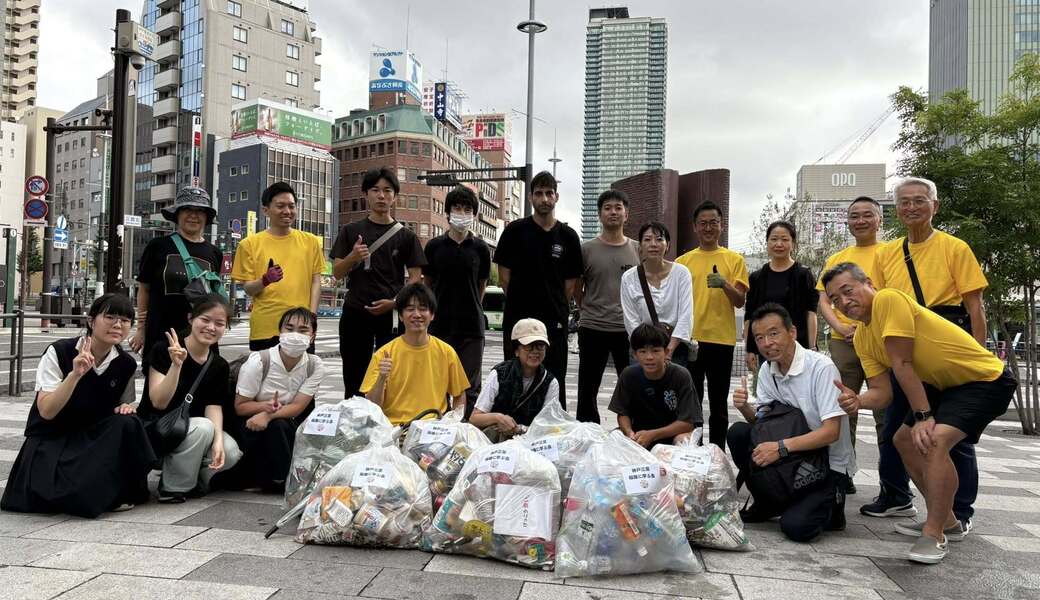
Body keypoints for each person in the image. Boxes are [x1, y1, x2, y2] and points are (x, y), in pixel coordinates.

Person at [822, 264, 1015, 563]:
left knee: (933, 440)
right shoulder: (862, 336)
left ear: (868, 283)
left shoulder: (888, 299)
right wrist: (858, 401)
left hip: (984, 379)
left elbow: (902, 363)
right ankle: (948, 521)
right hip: (945, 386)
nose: (843, 302)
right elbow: (883, 392)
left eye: (848, 291)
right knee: (903, 440)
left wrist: (924, 417)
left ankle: (934, 532)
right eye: (835, 300)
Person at [866, 177, 987, 525]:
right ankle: (897, 495)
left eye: (920, 200)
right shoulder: (887, 253)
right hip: (902, 345)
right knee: (895, 428)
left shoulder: (955, 247)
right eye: (904, 202)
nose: (912, 207)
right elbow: (880, 304)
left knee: (951, 432)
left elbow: (975, 307)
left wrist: (976, 357)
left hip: (947, 341)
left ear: (935, 206)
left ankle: (959, 512)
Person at [2, 294, 155, 518]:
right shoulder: (60, 352)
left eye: (125, 320)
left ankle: (123, 489)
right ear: (92, 321)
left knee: (129, 422)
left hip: (91, 440)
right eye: (110, 317)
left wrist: (127, 407)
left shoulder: (126, 363)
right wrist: (74, 375)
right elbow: (47, 410)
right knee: (80, 496)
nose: (117, 325)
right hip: (53, 440)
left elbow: (123, 402)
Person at [727, 303, 855, 542]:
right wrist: (744, 407)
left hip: (825, 461)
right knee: (739, 433)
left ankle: (831, 504)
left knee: (797, 527)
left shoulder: (821, 368)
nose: (767, 343)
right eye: (760, 337)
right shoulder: (767, 370)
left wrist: (780, 447)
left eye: (774, 333)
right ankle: (767, 500)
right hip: (792, 453)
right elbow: (761, 424)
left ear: (792, 332)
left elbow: (831, 433)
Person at [331, 167, 426, 398]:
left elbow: (416, 278)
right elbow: (336, 272)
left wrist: (395, 303)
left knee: (392, 375)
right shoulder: (350, 231)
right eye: (375, 190)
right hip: (355, 311)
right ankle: (353, 423)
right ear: (366, 194)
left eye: (387, 190)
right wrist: (354, 256)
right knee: (354, 376)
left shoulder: (406, 236)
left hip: (391, 316)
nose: (381, 196)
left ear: (395, 196)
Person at [139, 294, 242, 503]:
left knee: (230, 452)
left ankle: (194, 481)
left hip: (193, 431)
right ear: (190, 318)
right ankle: (173, 488)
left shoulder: (218, 365)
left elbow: (214, 407)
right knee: (203, 427)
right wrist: (176, 365)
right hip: (158, 430)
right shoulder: (163, 350)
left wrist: (219, 443)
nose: (211, 327)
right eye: (205, 320)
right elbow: (158, 401)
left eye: (219, 323)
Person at [494, 171, 582, 409]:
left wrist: (551, 305)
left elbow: (570, 286)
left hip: (554, 320)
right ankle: (509, 424)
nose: (545, 198)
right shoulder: (514, 231)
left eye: (549, 193)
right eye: (539, 193)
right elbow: (504, 279)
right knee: (513, 374)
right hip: (518, 317)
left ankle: (554, 428)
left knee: (555, 376)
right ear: (531, 197)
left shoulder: (569, 237)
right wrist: (523, 302)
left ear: (557, 197)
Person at [815, 196, 886, 495]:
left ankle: (891, 483)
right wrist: (839, 325)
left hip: (882, 338)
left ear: (879, 219)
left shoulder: (891, 252)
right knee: (844, 406)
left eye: (867, 215)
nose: (860, 220)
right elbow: (822, 299)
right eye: (854, 216)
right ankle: (844, 472)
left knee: (886, 410)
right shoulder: (838, 258)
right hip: (845, 341)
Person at [676, 201, 749, 448]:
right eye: (703, 223)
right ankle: (692, 454)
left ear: (722, 225)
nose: (708, 228)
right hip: (691, 340)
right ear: (695, 227)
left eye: (713, 223)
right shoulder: (683, 261)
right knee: (691, 402)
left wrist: (724, 284)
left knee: (719, 405)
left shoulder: (734, 259)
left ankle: (717, 455)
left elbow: (740, 301)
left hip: (722, 340)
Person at [229, 307, 326, 492]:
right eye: (289, 328)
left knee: (279, 425)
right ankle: (278, 480)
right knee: (276, 426)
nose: (295, 335)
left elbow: (298, 406)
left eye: (303, 330)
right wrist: (263, 407)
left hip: (284, 425)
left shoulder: (314, 365)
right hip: (250, 424)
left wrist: (268, 415)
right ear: (280, 332)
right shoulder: (259, 361)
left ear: (312, 336)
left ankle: (279, 479)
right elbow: (240, 407)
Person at [131, 186, 223, 369]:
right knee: (157, 392)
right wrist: (141, 329)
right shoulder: (158, 246)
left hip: (201, 336)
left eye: (200, 211)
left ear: (206, 217)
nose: (193, 216)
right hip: (161, 333)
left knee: (198, 391)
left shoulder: (214, 253)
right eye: (187, 210)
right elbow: (144, 289)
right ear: (177, 214)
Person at [231, 182, 325, 351]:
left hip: (300, 327)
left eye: (291, 206)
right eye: (280, 206)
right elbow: (249, 290)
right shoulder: (249, 244)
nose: (287, 211)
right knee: (266, 376)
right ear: (266, 210)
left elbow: (316, 282)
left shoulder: (310, 241)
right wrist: (265, 280)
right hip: (265, 329)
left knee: (300, 377)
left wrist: (312, 318)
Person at [423, 185, 491, 418]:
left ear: (473, 214)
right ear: (448, 212)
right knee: (438, 384)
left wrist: (474, 305)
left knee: (470, 387)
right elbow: (427, 285)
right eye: (457, 208)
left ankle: (466, 435)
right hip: (440, 325)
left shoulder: (481, 249)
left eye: (467, 208)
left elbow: (481, 285)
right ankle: (438, 431)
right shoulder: (434, 247)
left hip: (471, 327)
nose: (461, 213)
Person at [361, 283, 469, 425]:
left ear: (432, 315)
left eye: (423, 309)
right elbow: (371, 406)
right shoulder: (384, 354)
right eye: (410, 309)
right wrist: (381, 378)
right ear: (400, 316)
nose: (416, 314)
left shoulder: (446, 352)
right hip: (393, 431)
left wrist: (453, 424)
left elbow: (459, 395)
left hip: (432, 431)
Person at [575, 190, 640, 424]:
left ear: (626, 214)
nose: (613, 212)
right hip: (593, 327)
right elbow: (577, 288)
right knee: (587, 389)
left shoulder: (637, 249)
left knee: (633, 385)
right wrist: (590, 310)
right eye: (608, 208)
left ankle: (633, 433)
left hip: (628, 330)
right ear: (600, 215)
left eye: (618, 207)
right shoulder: (586, 249)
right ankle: (587, 432)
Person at [609, 323, 700, 449]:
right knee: (615, 437)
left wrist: (653, 435)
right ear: (634, 355)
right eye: (643, 351)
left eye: (656, 351)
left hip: (672, 435)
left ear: (666, 352)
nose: (649, 357)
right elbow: (622, 413)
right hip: (639, 435)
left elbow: (688, 423)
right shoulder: (628, 375)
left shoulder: (681, 375)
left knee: (684, 440)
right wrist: (629, 433)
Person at [744, 221, 818, 373]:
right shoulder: (757, 278)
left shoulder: (803, 275)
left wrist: (812, 347)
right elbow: (750, 316)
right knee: (770, 390)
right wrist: (749, 348)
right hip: (767, 349)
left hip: (798, 348)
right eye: (774, 239)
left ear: (793, 244)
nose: (779, 244)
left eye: (784, 239)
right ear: (767, 243)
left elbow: (811, 313)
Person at [470, 318, 560, 441]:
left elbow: (549, 427)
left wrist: (519, 429)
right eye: (529, 346)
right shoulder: (499, 374)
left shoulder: (550, 383)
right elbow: (475, 418)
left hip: (530, 444)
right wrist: (498, 418)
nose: (535, 352)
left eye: (540, 346)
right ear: (517, 350)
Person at [620, 222, 694, 365]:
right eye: (647, 239)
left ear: (668, 245)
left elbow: (686, 315)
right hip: (642, 348)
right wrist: (647, 352)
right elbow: (631, 321)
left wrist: (669, 351)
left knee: (674, 387)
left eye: (659, 239)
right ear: (640, 246)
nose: (653, 244)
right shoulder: (629, 278)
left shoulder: (681, 273)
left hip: (675, 349)